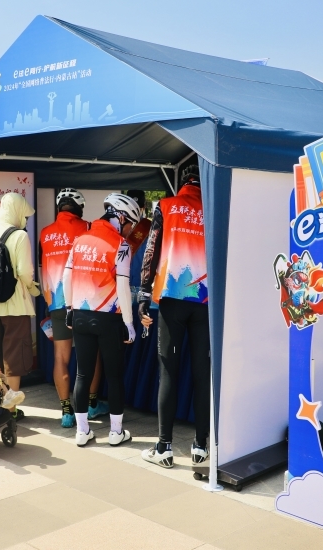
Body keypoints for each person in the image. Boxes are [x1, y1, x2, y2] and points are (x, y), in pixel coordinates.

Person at [139, 164, 211, 469]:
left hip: (171, 296)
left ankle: (164, 447)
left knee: (168, 371)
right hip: (205, 299)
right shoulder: (212, 208)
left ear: (182, 182)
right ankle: (201, 447)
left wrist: (143, 294)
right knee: (202, 373)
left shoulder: (166, 206)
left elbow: (151, 250)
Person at [63, 193, 140, 447]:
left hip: (80, 315)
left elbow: (66, 277)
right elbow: (123, 287)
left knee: (82, 374)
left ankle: (82, 431)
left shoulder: (80, 239)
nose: (130, 230)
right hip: (109, 319)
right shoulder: (121, 245)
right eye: (130, 224)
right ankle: (116, 433)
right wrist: (129, 323)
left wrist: (69, 308)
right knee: (114, 376)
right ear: (121, 217)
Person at [39, 188, 107, 428]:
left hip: (56, 302)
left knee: (61, 357)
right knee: (92, 354)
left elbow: (42, 268)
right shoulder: (88, 228)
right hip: (84, 302)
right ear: (79, 208)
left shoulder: (45, 233)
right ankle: (91, 404)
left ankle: (66, 411)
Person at [0, 192, 41, 421]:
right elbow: (24, 272)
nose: (25, 219)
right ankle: (11, 410)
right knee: (14, 356)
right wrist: (32, 288)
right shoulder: (20, 236)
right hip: (15, 306)